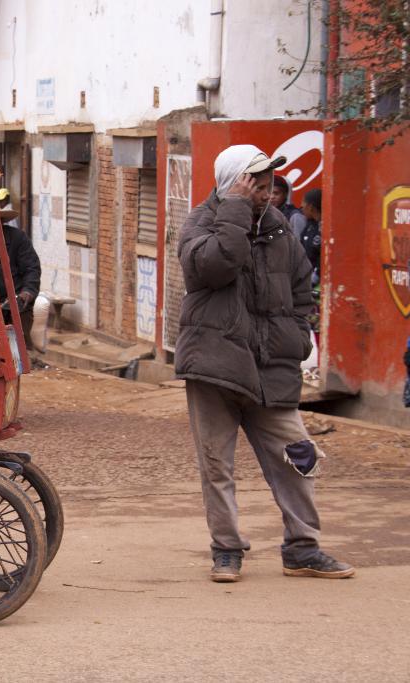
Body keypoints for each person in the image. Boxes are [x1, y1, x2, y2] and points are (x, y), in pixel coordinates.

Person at [176, 144, 353, 583]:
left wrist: (296, 334)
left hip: (270, 366)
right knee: (216, 465)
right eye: (256, 179)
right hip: (214, 366)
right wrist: (233, 210)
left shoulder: (280, 231)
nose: (267, 187)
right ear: (233, 180)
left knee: (298, 456)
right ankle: (227, 550)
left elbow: (301, 289)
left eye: (270, 179)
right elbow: (213, 268)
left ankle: (302, 547)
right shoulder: (201, 222)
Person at [0, 201, 41, 339]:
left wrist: (27, 292)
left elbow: (31, 268)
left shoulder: (18, 238)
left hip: (15, 301)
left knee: (20, 344)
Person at [300, 188, 323, 276]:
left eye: (303, 204)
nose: (301, 206)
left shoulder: (325, 228)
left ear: (310, 207)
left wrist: (316, 276)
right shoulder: (309, 225)